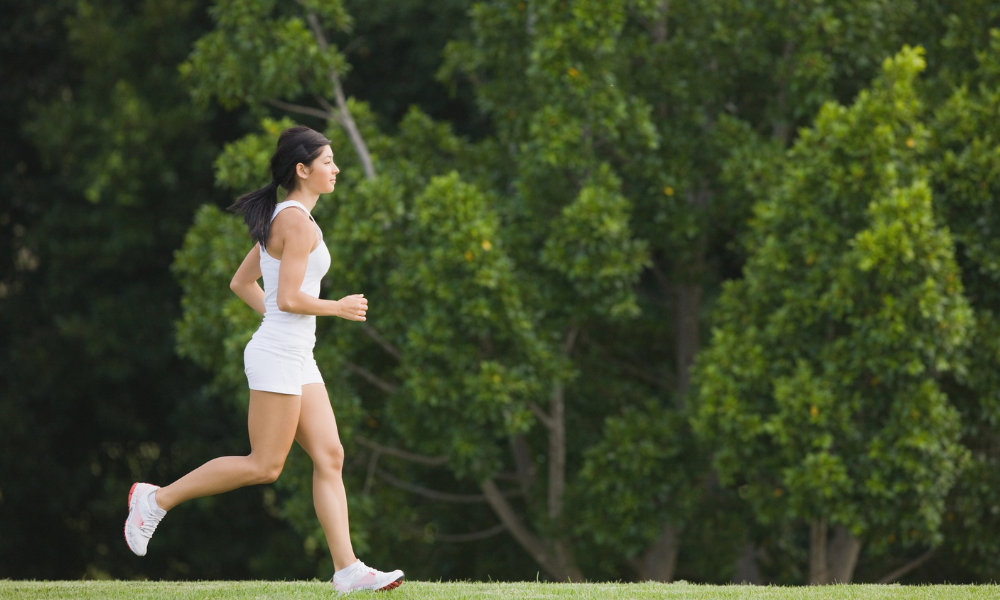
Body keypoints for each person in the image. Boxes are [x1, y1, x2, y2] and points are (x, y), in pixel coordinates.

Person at [123, 125, 403, 593]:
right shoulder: (293, 221)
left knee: (330, 455)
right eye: (328, 161)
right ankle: (155, 500)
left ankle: (348, 569)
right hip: (277, 354)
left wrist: (281, 316)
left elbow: (243, 284)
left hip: (295, 354)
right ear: (302, 169)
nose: (336, 169)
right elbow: (289, 297)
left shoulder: (291, 218)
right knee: (265, 466)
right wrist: (336, 307)